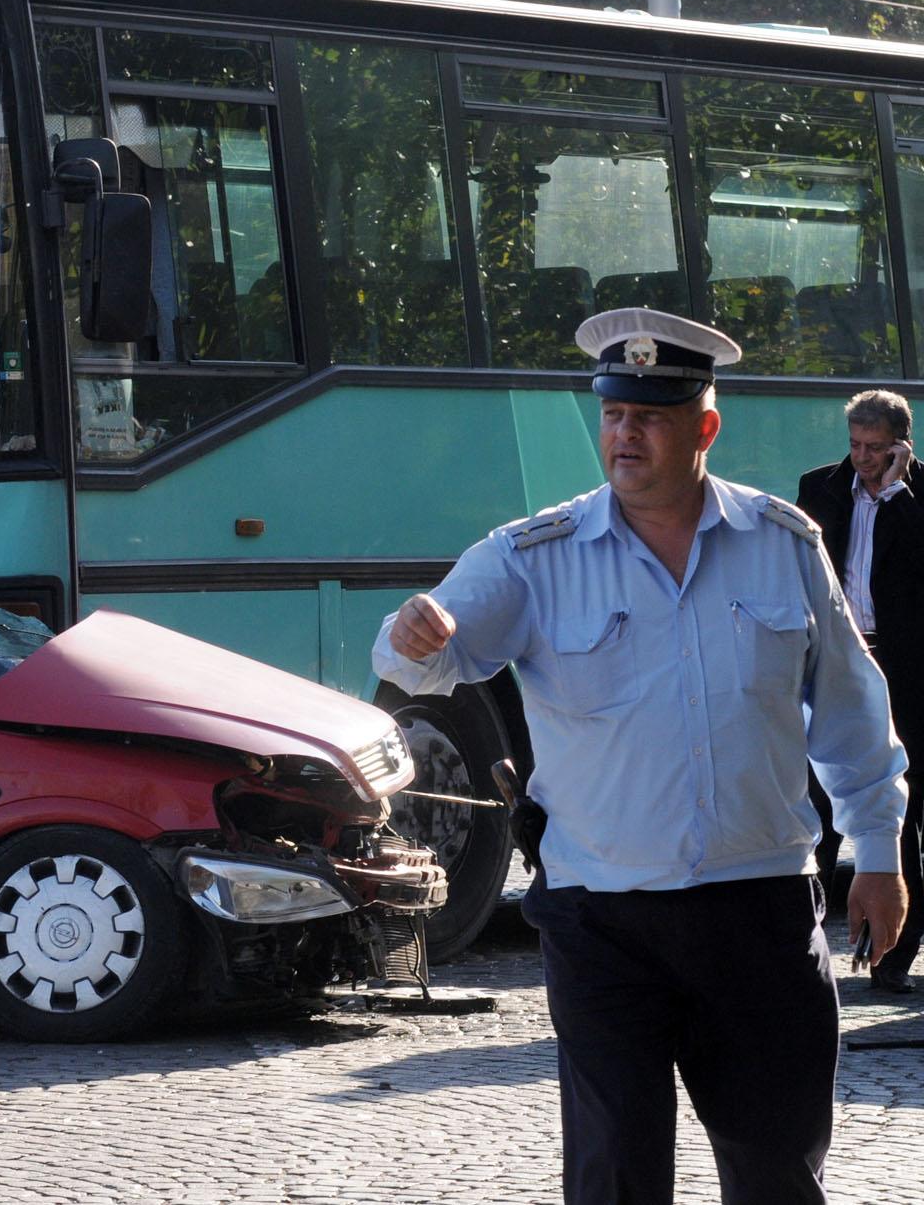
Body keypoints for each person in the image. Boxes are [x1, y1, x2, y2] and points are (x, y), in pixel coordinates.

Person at [373, 307, 909, 1205]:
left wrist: (882, 854)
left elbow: (852, 713)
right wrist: (410, 631)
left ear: (705, 427)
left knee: (777, 1172)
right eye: (614, 413)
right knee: (615, 1176)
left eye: (651, 417)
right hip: (603, 921)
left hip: (758, 914)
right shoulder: (532, 555)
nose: (624, 434)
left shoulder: (783, 544)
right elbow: (422, 660)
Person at [797, 389, 924, 993]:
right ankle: (806, 940)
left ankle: (892, 957)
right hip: (838, 664)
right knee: (816, 808)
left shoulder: (916, 496)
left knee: (902, 814)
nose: (864, 459)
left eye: (876, 449)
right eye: (856, 446)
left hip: (909, 674)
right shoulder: (819, 488)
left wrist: (897, 494)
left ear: (903, 443)